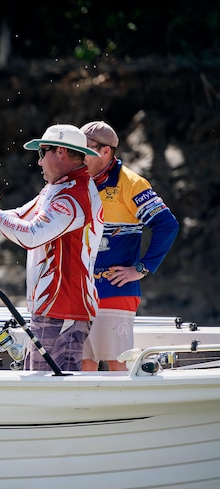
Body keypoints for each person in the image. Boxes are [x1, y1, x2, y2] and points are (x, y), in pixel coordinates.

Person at [0, 124, 103, 372]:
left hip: (63, 308)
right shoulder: (58, 188)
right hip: (54, 307)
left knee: (51, 387)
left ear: (61, 152)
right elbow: (20, 218)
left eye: (41, 153)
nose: (38, 162)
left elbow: (32, 235)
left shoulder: (73, 196)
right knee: (39, 379)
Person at [80, 121, 179, 371]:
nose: (76, 155)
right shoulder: (78, 180)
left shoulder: (132, 183)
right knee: (83, 364)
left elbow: (167, 225)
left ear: (104, 151)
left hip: (115, 289)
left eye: (83, 148)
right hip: (80, 291)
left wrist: (142, 268)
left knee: (117, 364)